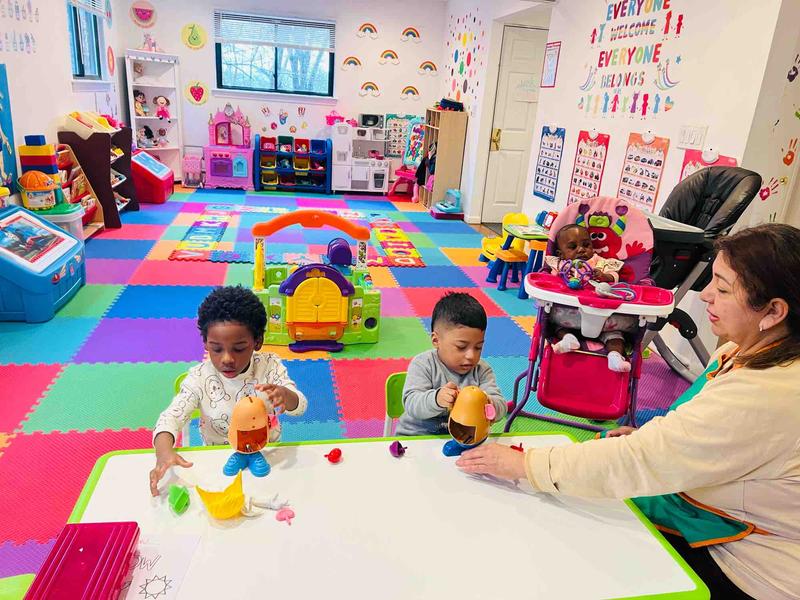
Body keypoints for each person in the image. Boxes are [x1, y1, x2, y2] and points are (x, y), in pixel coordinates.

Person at [456, 224, 800, 599]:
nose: (704, 296)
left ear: (773, 312)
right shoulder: (738, 353)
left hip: (745, 566)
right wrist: (649, 438)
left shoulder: (768, 393)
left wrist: (526, 466)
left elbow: (642, 460)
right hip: (709, 517)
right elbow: (697, 439)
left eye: (721, 287)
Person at [149, 285, 308, 495]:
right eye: (216, 348)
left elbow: (300, 406)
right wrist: (164, 452)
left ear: (257, 342)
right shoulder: (200, 378)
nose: (227, 359)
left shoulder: (270, 367)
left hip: (267, 454)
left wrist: (285, 395)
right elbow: (170, 418)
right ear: (205, 343)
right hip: (219, 458)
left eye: (239, 348)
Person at [397, 292, 507, 455]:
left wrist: (486, 402)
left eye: (478, 347)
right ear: (436, 341)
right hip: (417, 439)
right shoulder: (423, 364)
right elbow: (412, 403)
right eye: (461, 347)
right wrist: (436, 399)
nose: (471, 355)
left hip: (466, 443)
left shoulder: (482, 370)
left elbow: (501, 406)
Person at [545, 223, 636, 372]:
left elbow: (615, 276)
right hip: (571, 317)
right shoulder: (561, 265)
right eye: (573, 247)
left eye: (586, 245)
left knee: (616, 337)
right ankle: (569, 339)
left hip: (604, 320)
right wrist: (560, 277)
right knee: (557, 325)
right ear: (561, 254)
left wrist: (605, 276)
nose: (581, 249)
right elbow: (551, 282)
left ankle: (614, 357)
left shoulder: (600, 262)